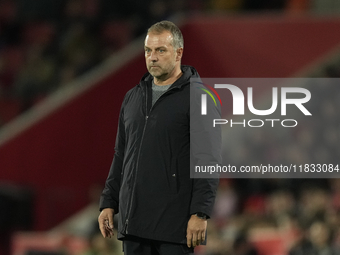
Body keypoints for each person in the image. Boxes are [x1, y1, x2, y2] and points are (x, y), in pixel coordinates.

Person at [98, 20, 221, 255]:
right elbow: (120, 154)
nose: (152, 57)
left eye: (160, 50)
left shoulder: (200, 98)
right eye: (148, 50)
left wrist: (200, 213)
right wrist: (108, 202)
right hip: (133, 223)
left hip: (174, 227)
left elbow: (208, 160)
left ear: (178, 53)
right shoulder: (132, 98)